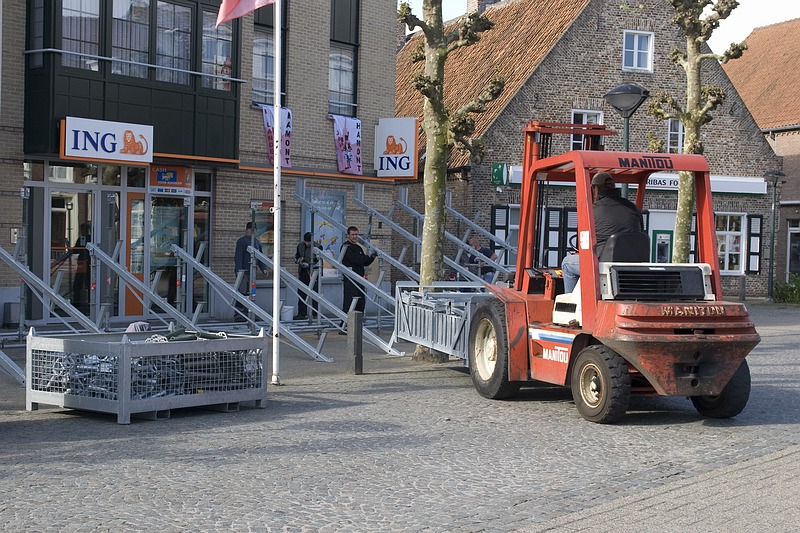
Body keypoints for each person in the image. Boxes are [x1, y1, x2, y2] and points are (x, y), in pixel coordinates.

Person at [561, 172, 645, 293]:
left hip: (604, 265)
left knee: (567, 263)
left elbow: (583, 242)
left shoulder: (592, 211)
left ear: (596, 189)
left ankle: (570, 304)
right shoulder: (633, 209)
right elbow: (639, 233)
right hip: (631, 266)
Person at [340, 226, 377, 329]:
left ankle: (356, 327)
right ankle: (344, 326)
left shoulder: (358, 247)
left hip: (359, 279)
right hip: (350, 280)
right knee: (349, 303)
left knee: (361, 303)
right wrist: (364, 258)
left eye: (356, 234)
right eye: (353, 234)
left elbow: (364, 262)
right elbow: (355, 259)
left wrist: (372, 257)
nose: (355, 236)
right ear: (348, 235)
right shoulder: (346, 247)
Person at [233, 221, 267, 319]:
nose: (252, 231)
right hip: (244, 272)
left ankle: (248, 313)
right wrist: (239, 271)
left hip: (253, 273)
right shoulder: (242, 241)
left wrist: (263, 269)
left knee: (251, 293)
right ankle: (238, 314)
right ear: (247, 230)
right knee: (242, 292)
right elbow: (238, 257)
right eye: (250, 229)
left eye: (254, 230)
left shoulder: (256, 242)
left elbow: (260, 257)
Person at [294, 231, 321, 319]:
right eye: (306, 241)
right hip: (303, 272)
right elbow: (297, 255)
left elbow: (319, 261)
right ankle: (302, 313)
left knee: (315, 294)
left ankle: (315, 314)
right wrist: (298, 260)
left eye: (309, 242)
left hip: (314, 273)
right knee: (301, 292)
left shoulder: (318, 247)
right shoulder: (300, 246)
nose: (307, 243)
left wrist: (309, 265)